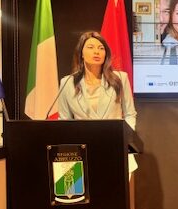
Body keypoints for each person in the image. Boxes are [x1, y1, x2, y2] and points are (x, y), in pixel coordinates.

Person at [58, 32, 137, 172]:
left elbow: (130, 114)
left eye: (101, 48)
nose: (97, 51)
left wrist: (124, 138)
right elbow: (64, 121)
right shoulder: (67, 83)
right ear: (81, 53)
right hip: (82, 153)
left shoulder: (120, 78)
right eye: (90, 47)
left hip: (115, 149)